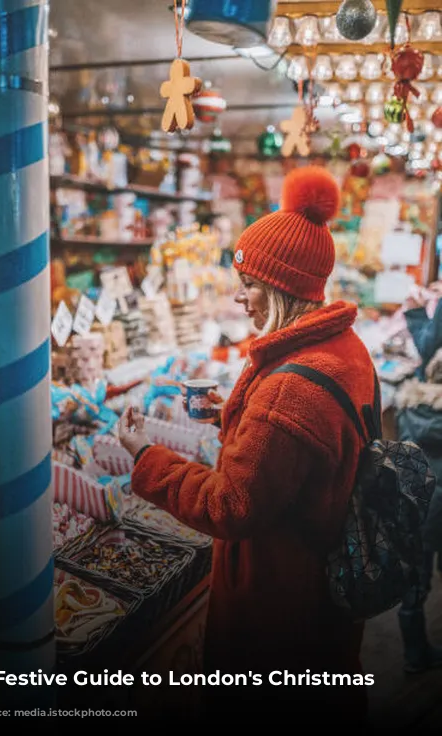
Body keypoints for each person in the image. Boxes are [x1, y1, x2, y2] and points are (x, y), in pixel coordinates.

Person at [119, 166, 376, 729]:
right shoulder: (343, 347)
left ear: (282, 286)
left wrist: (145, 457)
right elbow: (298, 456)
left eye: (250, 283)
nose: (238, 297)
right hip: (319, 598)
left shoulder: (290, 387)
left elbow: (228, 505)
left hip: (277, 607)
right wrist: (232, 414)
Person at [395, 285, 442, 673]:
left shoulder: (412, 414)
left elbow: (429, 346)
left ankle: (414, 652)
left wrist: (415, 314)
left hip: (421, 501)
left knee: (416, 572)